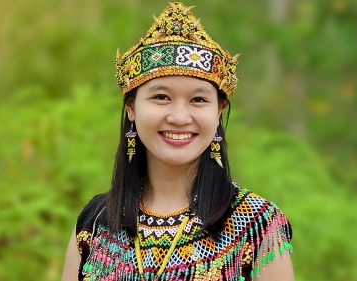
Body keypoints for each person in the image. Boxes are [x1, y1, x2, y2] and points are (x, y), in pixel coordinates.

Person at [62, 2, 294, 280]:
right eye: (161, 97)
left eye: (198, 99)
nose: (180, 117)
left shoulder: (257, 226)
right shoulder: (95, 223)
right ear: (131, 108)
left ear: (219, 110)